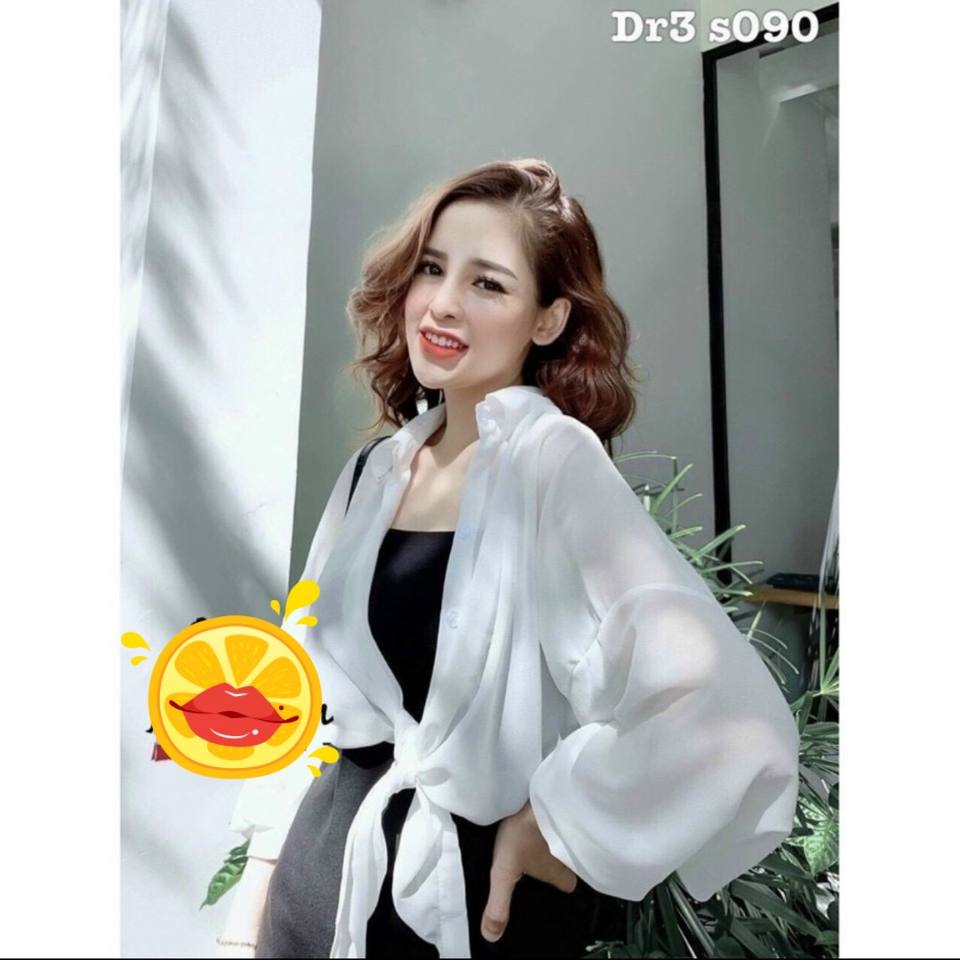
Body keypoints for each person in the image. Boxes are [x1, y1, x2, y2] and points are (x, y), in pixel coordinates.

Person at [216, 159, 800, 959]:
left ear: (548, 319)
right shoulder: (372, 473)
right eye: (431, 268)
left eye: (487, 283)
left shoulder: (553, 463)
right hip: (315, 896)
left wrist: (564, 825)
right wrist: (249, 909)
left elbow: (725, 710)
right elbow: (304, 702)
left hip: (469, 911)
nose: (443, 302)